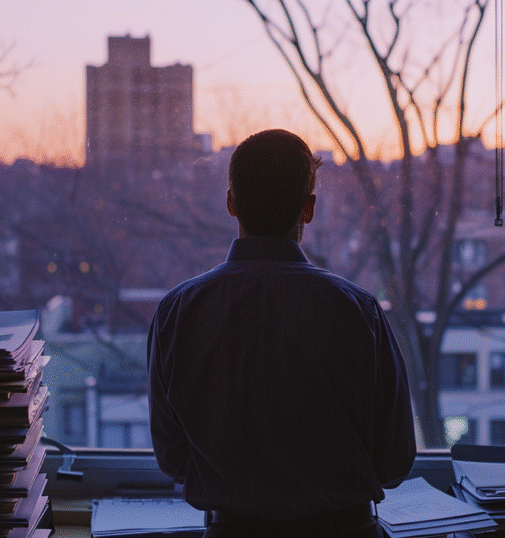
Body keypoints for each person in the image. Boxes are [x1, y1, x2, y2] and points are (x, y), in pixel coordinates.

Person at [148, 129, 416, 538]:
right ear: (308, 209)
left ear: (231, 202)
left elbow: (172, 458)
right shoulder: (358, 313)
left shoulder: (179, 312)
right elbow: (395, 462)